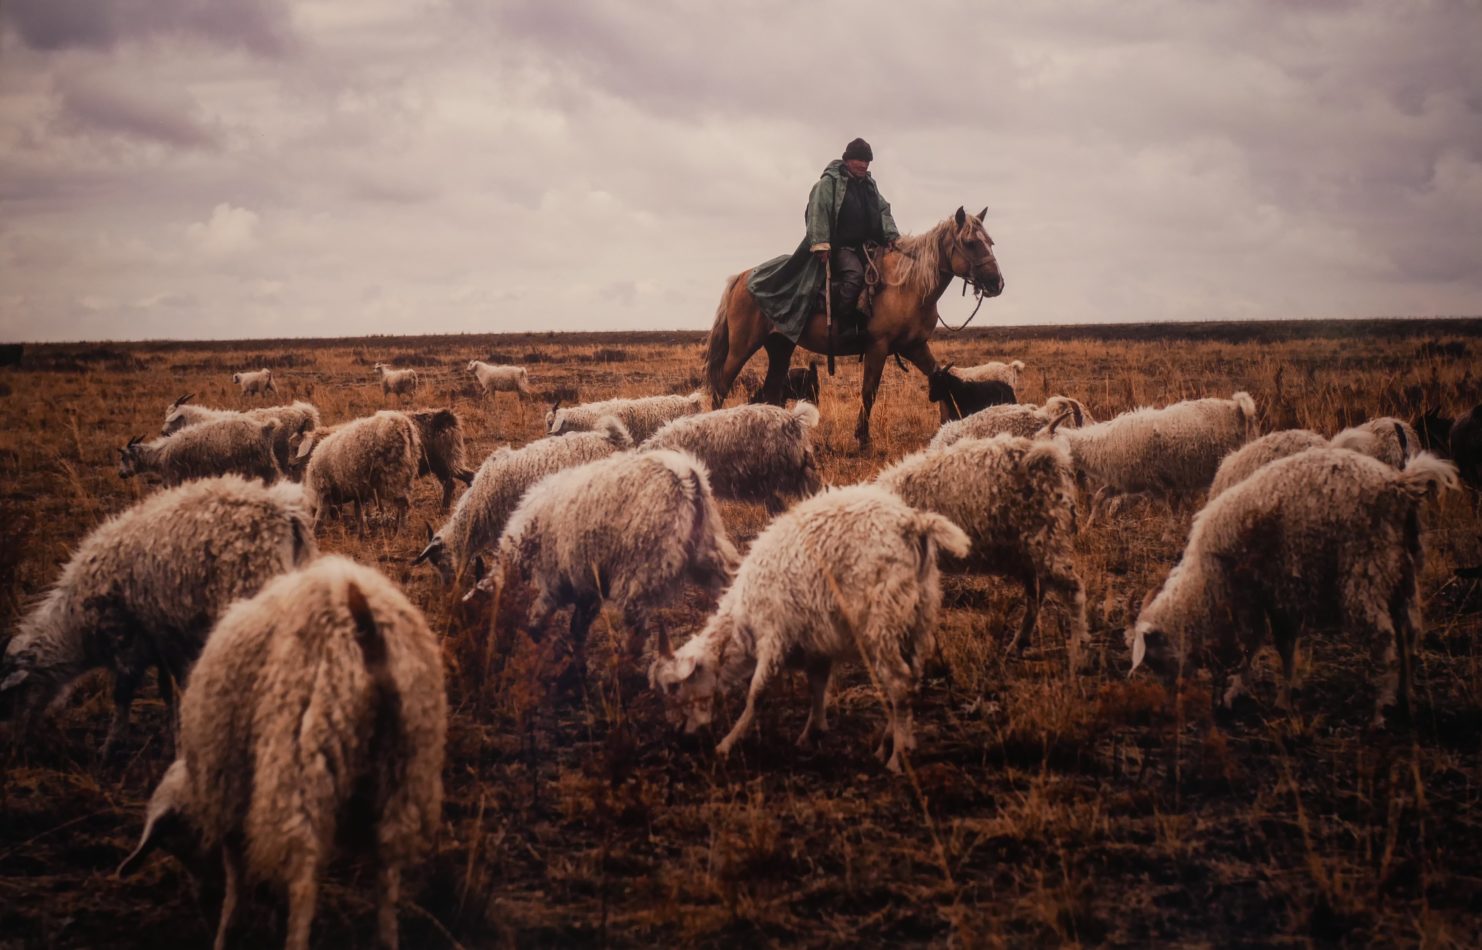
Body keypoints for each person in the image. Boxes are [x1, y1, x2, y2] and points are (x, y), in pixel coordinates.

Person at [745, 138, 901, 343]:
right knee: (854, 276)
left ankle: (877, 325)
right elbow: (817, 212)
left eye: (867, 161)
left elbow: (883, 210)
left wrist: (891, 234)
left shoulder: (870, 186)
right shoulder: (829, 184)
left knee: (887, 277)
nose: (864, 165)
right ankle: (845, 324)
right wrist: (821, 244)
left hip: (867, 246)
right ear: (847, 160)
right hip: (840, 247)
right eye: (859, 160)